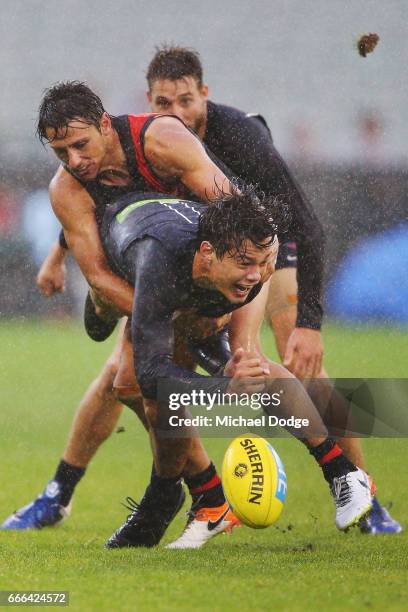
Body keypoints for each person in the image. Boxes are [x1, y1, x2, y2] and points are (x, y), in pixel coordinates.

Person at [3, 45, 401, 534]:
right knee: (128, 381)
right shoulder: (71, 183)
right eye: (61, 152)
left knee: (281, 363)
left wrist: (292, 326)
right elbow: (102, 276)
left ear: (107, 124)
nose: (74, 160)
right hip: (168, 276)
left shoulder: (177, 139)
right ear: (147, 98)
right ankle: (203, 495)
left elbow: (262, 230)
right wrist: (61, 256)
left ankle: (354, 482)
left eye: (80, 145)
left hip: (254, 251)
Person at [93, 185, 373, 549]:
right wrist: (224, 390)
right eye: (245, 263)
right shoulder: (156, 261)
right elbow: (151, 376)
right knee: (133, 381)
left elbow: (256, 273)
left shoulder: (248, 263)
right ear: (208, 254)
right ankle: (192, 498)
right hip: (153, 279)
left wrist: (240, 360)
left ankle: (343, 473)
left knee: (251, 367)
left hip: (204, 287)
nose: (256, 275)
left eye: (262, 263)